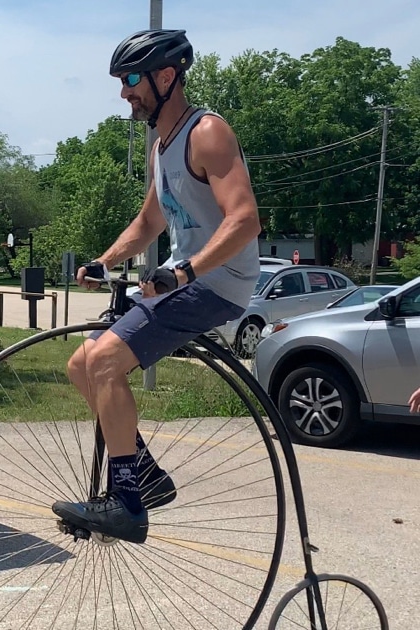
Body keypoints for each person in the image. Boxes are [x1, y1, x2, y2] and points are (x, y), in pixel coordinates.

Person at [52, 29, 262, 544]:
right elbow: (148, 224)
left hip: (218, 282)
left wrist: (186, 271)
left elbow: (245, 220)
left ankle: (127, 503)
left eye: (130, 80)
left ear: (166, 77)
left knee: (104, 361)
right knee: (83, 363)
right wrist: (104, 260)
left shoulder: (206, 133)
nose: (124, 92)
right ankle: (144, 474)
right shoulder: (162, 147)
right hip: (184, 279)